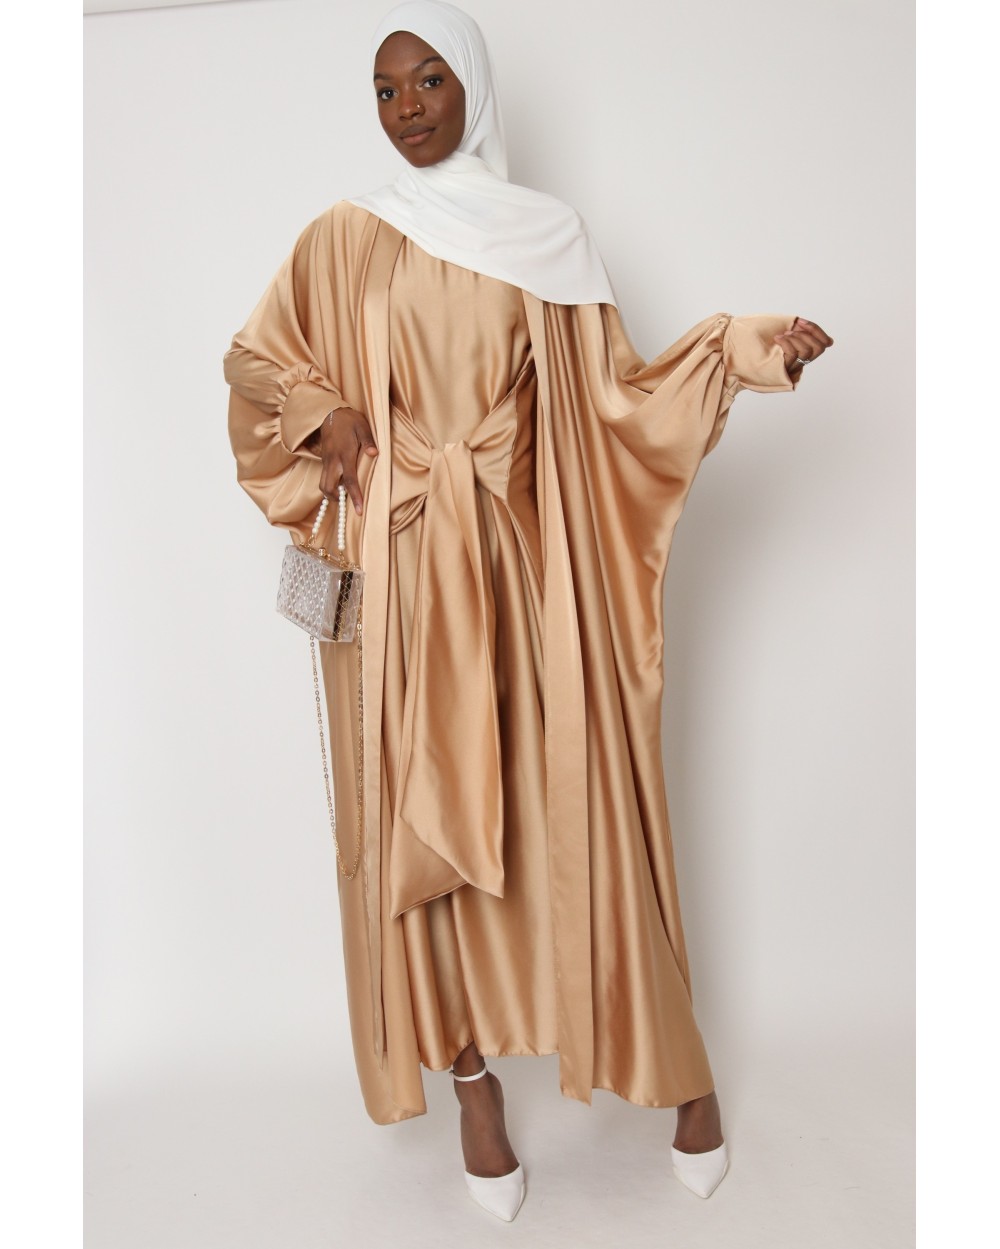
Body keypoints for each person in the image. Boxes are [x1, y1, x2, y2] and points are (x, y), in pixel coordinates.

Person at [224, 0, 833, 1223]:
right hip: (405, 578)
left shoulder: (546, 236)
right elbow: (255, 358)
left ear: (474, 89)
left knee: (581, 805)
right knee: (420, 825)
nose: (406, 109)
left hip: (521, 568)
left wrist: (734, 351)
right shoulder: (346, 236)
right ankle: (474, 1091)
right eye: (385, 90)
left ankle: (678, 1071)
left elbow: (617, 404)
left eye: (428, 82)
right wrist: (321, 413)